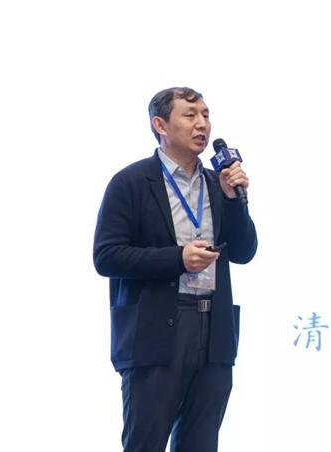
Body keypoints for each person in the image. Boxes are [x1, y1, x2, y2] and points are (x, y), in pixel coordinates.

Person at [93, 86, 257, 452]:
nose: (203, 125)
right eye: (190, 115)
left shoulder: (218, 183)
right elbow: (106, 256)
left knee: (201, 443)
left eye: (206, 115)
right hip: (155, 333)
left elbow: (245, 252)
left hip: (213, 331)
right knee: (146, 443)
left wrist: (235, 202)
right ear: (160, 125)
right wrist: (177, 259)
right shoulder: (131, 182)